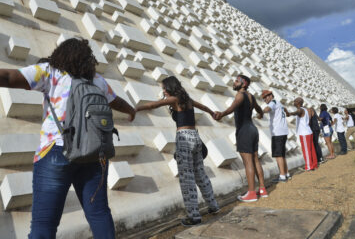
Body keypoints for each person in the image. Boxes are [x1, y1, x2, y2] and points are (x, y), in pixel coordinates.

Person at [0, 38, 136, 238]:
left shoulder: (50, 72)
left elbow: (8, 77)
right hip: (94, 154)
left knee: (43, 227)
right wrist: (131, 110)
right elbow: (118, 102)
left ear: (61, 55)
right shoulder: (98, 81)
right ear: (88, 59)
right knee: (99, 214)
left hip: (56, 151)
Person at [136, 76, 219, 226]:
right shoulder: (187, 100)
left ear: (169, 88)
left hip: (184, 138)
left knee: (187, 178)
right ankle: (213, 205)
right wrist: (213, 113)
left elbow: (154, 105)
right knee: (200, 174)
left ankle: (194, 216)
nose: (163, 91)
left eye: (164, 88)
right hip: (196, 137)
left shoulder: (174, 99)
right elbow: (205, 108)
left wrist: (136, 108)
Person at [214, 75, 267, 202]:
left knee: (248, 162)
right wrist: (260, 114)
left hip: (244, 130)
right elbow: (260, 110)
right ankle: (262, 189)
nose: (234, 82)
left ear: (244, 84)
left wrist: (221, 114)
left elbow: (233, 108)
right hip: (253, 129)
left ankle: (251, 193)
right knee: (255, 160)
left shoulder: (240, 95)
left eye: (237, 81)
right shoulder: (251, 96)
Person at [260, 90, 291, 182]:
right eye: (263, 98)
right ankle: (286, 173)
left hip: (277, 132)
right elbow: (285, 109)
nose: (265, 99)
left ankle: (282, 176)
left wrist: (261, 112)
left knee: (278, 155)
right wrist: (288, 113)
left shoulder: (273, 102)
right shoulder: (279, 102)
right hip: (283, 131)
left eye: (266, 97)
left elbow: (268, 109)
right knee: (282, 155)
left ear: (271, 96)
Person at [285, 98, 318, 171]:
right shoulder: (305, 109)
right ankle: (314, 164)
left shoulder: (301, 110)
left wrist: (290, 113)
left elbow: (297, 112)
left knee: (306, 150)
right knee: (311, 149)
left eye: (295, 101)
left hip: (304, 134)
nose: (294, 102)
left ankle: (309, 166)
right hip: (308, 132)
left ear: (299, 102)